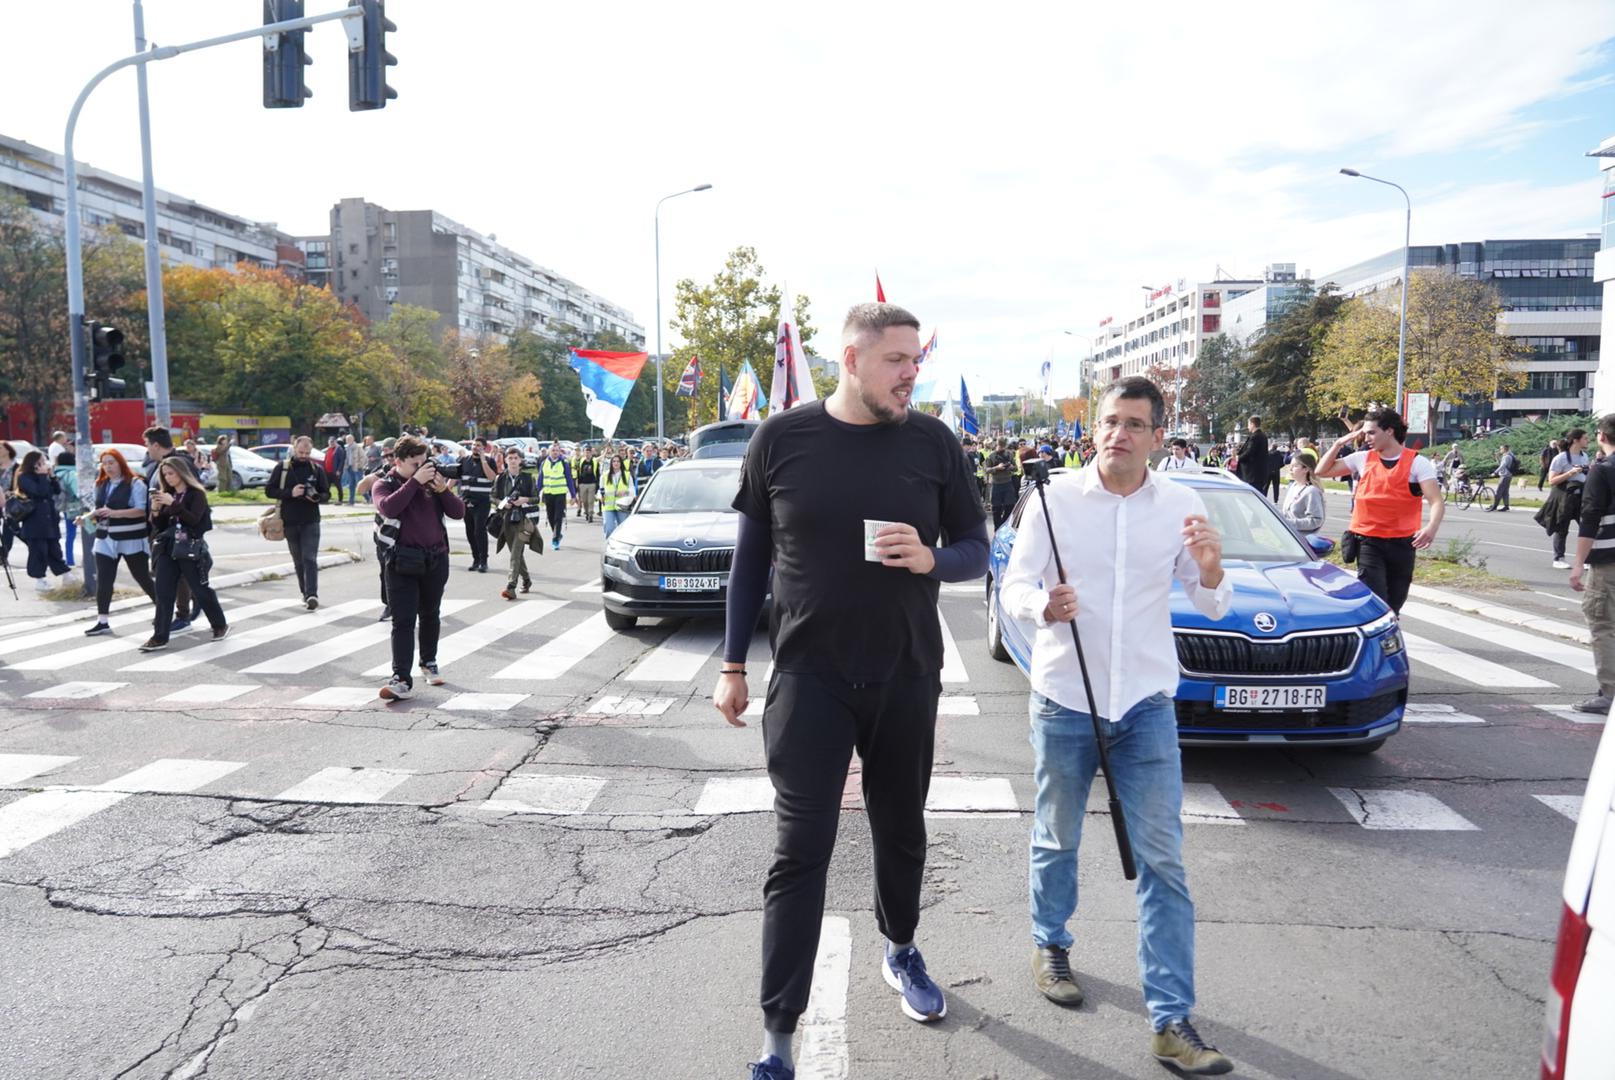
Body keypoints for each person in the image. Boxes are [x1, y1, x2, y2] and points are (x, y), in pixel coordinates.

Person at [713, 302, 988, 1080]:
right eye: (897, 359)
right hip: (809, 677)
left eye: (916, 360)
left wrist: (932, 559)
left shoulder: (932, 442)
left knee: (900, 831)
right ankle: (776, 1038)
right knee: (799, 852)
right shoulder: (781, 438)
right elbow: (749, 561)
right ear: (851, 359)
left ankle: (900, 949)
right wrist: (732, 666)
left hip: (905, 671)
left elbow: (976, 548)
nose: (910, 374)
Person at [999, 375, 1234, 1077]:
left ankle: (1170, 1020)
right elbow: (1013, 586)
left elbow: (1212, 605)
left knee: (1163, 860)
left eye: (1134, 424)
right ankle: (1050, 942)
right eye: (1108, 421)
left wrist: (1211, 570)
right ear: (1093, 429)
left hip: (1145, 705)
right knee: (1057, 834)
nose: (1117, 434)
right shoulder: (1053, 500)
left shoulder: (1182, 505)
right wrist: (1044, 606)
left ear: (1157, 436)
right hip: (1065, 698)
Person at [1315, 408, 1444, 614]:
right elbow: (1321, 471)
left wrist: (1431, 528)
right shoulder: (1363, 458)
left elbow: (1436, 501)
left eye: (1371, 433)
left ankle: (1388, 629)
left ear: (1389, 431)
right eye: (1365, 433)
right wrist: (1339, 443)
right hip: (1368, 541)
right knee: (1376, 600)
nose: (1366, 438)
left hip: (1402, 542)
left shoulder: (1417, 462)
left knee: (1395, 602)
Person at [371, 435, 465, 700]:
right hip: (401, 561)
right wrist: (414, 482)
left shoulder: (431, 485)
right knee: (403, 620)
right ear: (398, 462)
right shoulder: (384, 484)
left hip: (435, 558)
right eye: (415, 464)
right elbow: (388, 508)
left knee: (431, 614)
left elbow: (458, 512)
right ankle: (401, 678)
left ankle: (429, 662)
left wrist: (443, 490)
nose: (422, 468)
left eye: (424, 462)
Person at [139, 459, 228, 651]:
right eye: (165, 475)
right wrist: (155, 510)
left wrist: (173, 504)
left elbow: (194, 520)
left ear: (181, 473)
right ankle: (159, 637)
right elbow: (160, 526)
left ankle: (219, 624)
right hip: (168, 547)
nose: (168, 478)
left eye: (171, 473)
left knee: (200, 589)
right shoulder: (167, 494)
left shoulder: (196, 494)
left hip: (190, 547)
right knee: (163, 592)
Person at [1569, 415, 1615, 714]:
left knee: (1603, 624)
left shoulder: (1603, 469)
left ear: (1602, 436)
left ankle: (1610, 693)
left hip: (1609, 559)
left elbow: (1590, 518)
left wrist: (1578, 563)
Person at [84, 448, 156, 636]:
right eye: (104, 464)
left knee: (142, 577)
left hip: (131, 537)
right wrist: (87, 517)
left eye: (111, 463)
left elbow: (141, 510)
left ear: (120, 463)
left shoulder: (135, 483)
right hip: (105, 538)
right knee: (104, 579)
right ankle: (102, 621)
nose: (108, 467)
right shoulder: (100, 484)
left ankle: (164, 609)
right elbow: (99, 509)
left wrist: (114, 513)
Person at [265, 435, 330, 609]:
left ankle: (312, 594)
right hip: (289, 521)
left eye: (307, 453)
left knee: (310, 558)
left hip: (311, 520)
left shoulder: (316, 469)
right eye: (301, 452)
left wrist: (316, 497)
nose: (304, 456)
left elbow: (326, 493)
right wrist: (290, 493)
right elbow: (269, 490)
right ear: (294, 449)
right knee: (299, 560)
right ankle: (305, 593)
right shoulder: (283, 468)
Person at [143, 426, 198, 631]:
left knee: (179, 572)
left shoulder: (180, 463)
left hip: (178, 526)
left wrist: (172, 505)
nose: (147, 449)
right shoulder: (155, 466)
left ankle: (183, 615)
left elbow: (194, 495)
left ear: (156, 445)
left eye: (147, 444)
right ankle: (185, 606)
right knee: (166, 573)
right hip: (160, 526)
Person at [13, 450, 73, 593]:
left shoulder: (45, 476)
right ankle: (40, 580)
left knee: (54, 548)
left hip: (50, 518)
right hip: (34, 520)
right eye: (41, 461)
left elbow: (56, 491)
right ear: (34, 463)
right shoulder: (24, 477)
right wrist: (41, 476)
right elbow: (39, 492)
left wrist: (51, 477)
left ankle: (65, 574)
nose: (44, 464)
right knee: (38, 551)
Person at [493, 446, 542, 599]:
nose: (513, 461)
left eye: (516, 458)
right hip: (507, 519)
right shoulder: (500, 478)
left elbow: (537, 498)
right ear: (505, 460)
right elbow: (492, 497)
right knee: (516, 553)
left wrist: (524, 500)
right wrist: (503, 503)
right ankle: (526, 580)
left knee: (515, 552)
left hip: (525, 519)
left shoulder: (528, 478)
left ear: (521, 460)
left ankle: (511, 586)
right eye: (510, 458)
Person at [1540, 429, 1591, 570]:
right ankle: (1558, 558)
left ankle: (1586, 559)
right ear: (1575, 440)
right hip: (1565, 497)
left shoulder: (1584, 456)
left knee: (1587, 528)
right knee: (1562, 528)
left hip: (1581, 496)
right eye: (1585, 438)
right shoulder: (1560, 458)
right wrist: (1570, 473)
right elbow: (1551, 480)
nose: (1588, 440)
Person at [356, 444, 397, 621]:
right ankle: (389, 605)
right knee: (385, 569)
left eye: (392, 455)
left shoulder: (414, 472)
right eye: (385, 456)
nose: (389, 459)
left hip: (406, 530)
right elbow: (360, 488)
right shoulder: (384, 473)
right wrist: (376, 476)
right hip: (384, 530)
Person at [458, 437, 498, 573]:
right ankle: (476, 559)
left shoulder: (490, 461)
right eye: (474, 445)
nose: (475, 447)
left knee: (479, 530)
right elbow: (454, 478)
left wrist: (483, 460)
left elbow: (492, 477)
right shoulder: (464, 461)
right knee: (469, 531)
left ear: (484, 448)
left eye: (478, 445)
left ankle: (483, 561)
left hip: (482, 502)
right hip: (466, 501)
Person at [539, 442, 577, 551]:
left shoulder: (564, 462)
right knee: (550, 517)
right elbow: (540, 479)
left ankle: (555, 540)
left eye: (557, 451)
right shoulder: (544, 463)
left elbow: (569, 479)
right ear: (549, 452)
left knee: (558, 517)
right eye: (553, 450)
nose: (555, 452)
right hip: (548, 494)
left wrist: (573, 495)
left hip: (560, 494)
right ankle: (557, 534)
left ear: (560, 452)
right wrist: (536, 492)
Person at [1280, 450, 1325, 533]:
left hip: (1302, 538)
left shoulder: (1311, 491)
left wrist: (1289, 523)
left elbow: (1316, 520)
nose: (1290, 468)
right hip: (1288, 535)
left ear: (1306, 469)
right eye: (1290, 465)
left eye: (1295, 466)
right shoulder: (1293, 486)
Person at [54, 451, 82, 567]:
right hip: (77, 506)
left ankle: (69, 559)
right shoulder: (72, 474)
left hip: (65, 507)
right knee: (90, 530)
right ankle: (89, 557)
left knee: (70, 534)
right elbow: (77, 492)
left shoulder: (56, 474)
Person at [599, 453, 636, 539]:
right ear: (611, 463)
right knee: (609, 528)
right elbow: (600, 489)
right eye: (614, 461)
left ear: (621, 463)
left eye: (618, 461)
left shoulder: (627, 475)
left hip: (622, 506)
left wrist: (625, 492)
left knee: (623, 529)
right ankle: (609, 543)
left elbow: (632, 490)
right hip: (608, 506)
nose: (616, 463)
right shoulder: (605, 475)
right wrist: (600, 496)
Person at [986, 438, 1018, 529]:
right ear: (997, 445)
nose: (1002, 448)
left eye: (1003, 446)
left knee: (1010, 506)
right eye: (1000, 446)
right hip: (996, 484)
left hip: (1008, 483)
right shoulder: (991, 456)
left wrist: (1011, 467)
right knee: (996, 509)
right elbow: (986, 470)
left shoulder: (1009, 454)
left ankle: (1003, 525)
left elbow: (1016, 468)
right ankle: (997, 528)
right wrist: (996, 468)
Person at [1234, 415, 1270, 497]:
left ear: (1252, 424)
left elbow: (1250, 452)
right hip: (1259, 473)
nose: (1248, 427)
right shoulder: (1263, 436)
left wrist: (1239, 457)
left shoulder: (1255, 437)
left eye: (1248, 424)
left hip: (1252, 474)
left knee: (1252, 496)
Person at [0, 440, 18, 567]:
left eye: (1, 447)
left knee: (9, 530)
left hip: (11, 502)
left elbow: (19, 486)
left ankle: (3, 556)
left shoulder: (16, 467)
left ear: (8, 450)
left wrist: (10, 493)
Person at [1489, 443, 1517, 512]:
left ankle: (1494, 506)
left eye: (1501, 449)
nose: (1500, 450)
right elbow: (1501, 464)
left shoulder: (1507, 456)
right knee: (1505, 492)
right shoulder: (1510, 455)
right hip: (1508, 475)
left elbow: (1503, 466)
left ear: (1504, 449)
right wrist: (1497, 458)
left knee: (1499, 491)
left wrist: (1495, 472)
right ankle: (1506, 506)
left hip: (1504, 476)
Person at [577, 447, 600, 524]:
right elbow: (578, 473)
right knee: (584, 501)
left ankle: (590, 514)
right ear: (584, 453)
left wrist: (597, 484)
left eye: (589, 452)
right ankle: (586, 512)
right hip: (583, 484)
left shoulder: (594, 461)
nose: (587, 454)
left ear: (591, 453)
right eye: (586, 452)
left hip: (592, 483)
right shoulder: (581, 461)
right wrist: (578, 483)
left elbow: (597, 473)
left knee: (591, 500)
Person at [340, 434, 364, 505]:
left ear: (353, 439)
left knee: (360, 484)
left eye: (350, 439)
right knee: (351, 485)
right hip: (349, 468)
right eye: (347, 440)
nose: (348, 441)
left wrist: (359, 465)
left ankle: (368, 498)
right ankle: (351, 501)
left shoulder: (358, 447)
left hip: (357, 468)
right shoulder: (347, 448)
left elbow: (363, 457)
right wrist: (345, 467)